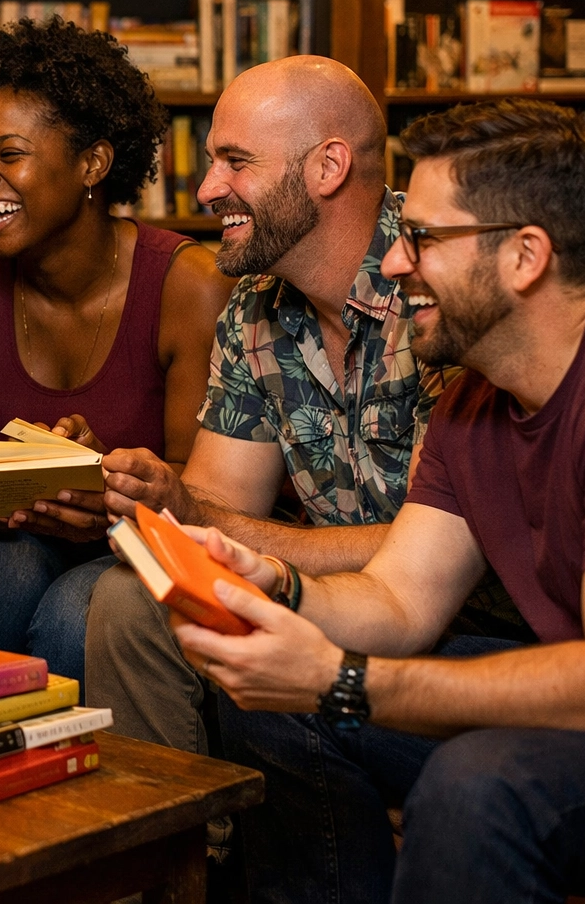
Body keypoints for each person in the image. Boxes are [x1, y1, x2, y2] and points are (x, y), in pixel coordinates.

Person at [173, 99, 585, 904]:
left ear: (525, 256)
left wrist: (344, 679)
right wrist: (278, 590)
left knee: (480, 784)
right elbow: (399, 599)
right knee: (273, 703)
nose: (394, 264)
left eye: (423, 239)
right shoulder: (476, 399)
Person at [82, 56, 515, 752]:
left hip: (480, 626)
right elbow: (220, 501)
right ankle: (173, 848)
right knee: (125, 598)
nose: (207, 187)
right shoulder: (255, 307)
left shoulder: (443, 283)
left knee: (285, 687)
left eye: (235, 161)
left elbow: (440, 554)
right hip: (337, 603)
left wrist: (218, 531)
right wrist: (163, 500)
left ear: (327, 167)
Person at [0, 17, 233, 678]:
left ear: (92, 163)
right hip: (1, 544)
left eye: (9, 154)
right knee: (6, 572)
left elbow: (200, 497)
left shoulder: (188, 288)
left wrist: (108, 481)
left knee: (74, 610)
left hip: (130, 549)